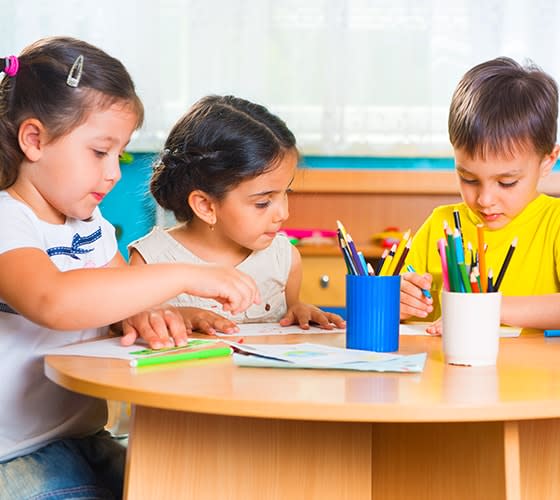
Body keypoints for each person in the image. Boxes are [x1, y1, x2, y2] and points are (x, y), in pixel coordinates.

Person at [0, 37, 258, 499]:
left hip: (78, 436)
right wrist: (185, 275)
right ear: (34, 140)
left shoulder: (87, 221)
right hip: (13, 453)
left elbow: (120, 298)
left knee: (175, 483)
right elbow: (52, 302)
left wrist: (169, 313)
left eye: (118, 155)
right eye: (99, 152)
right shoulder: (7, 218)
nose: (115, 173)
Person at [129, 95, 345, 334]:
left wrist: (299, 310)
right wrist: (181, 316)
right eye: (263, 203)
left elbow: (287, 323)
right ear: (206, 206)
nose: (283, 213)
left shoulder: (284, 258)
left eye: (286, 193)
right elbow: (134, 322)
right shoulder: (152, 258)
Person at [401, 56, 560, 334]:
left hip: (534, 375)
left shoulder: (554, 223)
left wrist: (488, 309)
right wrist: (397, 301)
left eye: (507, 182)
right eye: (469, 178)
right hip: (447, 373)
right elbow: (398, 307)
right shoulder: (441, 225)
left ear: (548, 161)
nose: (485, 199)